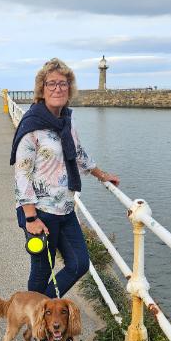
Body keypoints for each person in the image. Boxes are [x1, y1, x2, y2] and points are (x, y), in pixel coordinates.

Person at [10, 58, 120, 298]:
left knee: (79, 264)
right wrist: (30, 217)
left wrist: (102, 175)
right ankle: (38, 314)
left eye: (63, 83)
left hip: (66, 208)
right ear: (42, 89)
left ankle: (42, 310)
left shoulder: (66, 121)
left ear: (69, 88)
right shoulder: (32, 125)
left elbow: (78, 153)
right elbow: (22, 173)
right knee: (42, 272)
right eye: (51, 83)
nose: (57, 88)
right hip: (41, 212)